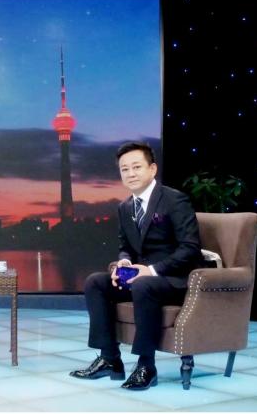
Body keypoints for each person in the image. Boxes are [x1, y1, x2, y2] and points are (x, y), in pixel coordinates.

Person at [69, 141, 202, 391]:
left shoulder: (174, 200)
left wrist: (151, 270)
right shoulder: (125, 207)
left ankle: (146, 366)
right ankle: (109, 358)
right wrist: (125, 261)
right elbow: (126, 246)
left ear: (152, 169)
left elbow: (190, 248)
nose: (130, 173)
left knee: (143, 285)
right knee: (96, 282)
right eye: (125, 169)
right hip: (143, 279)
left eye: (136, 167)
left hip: (174, 279)